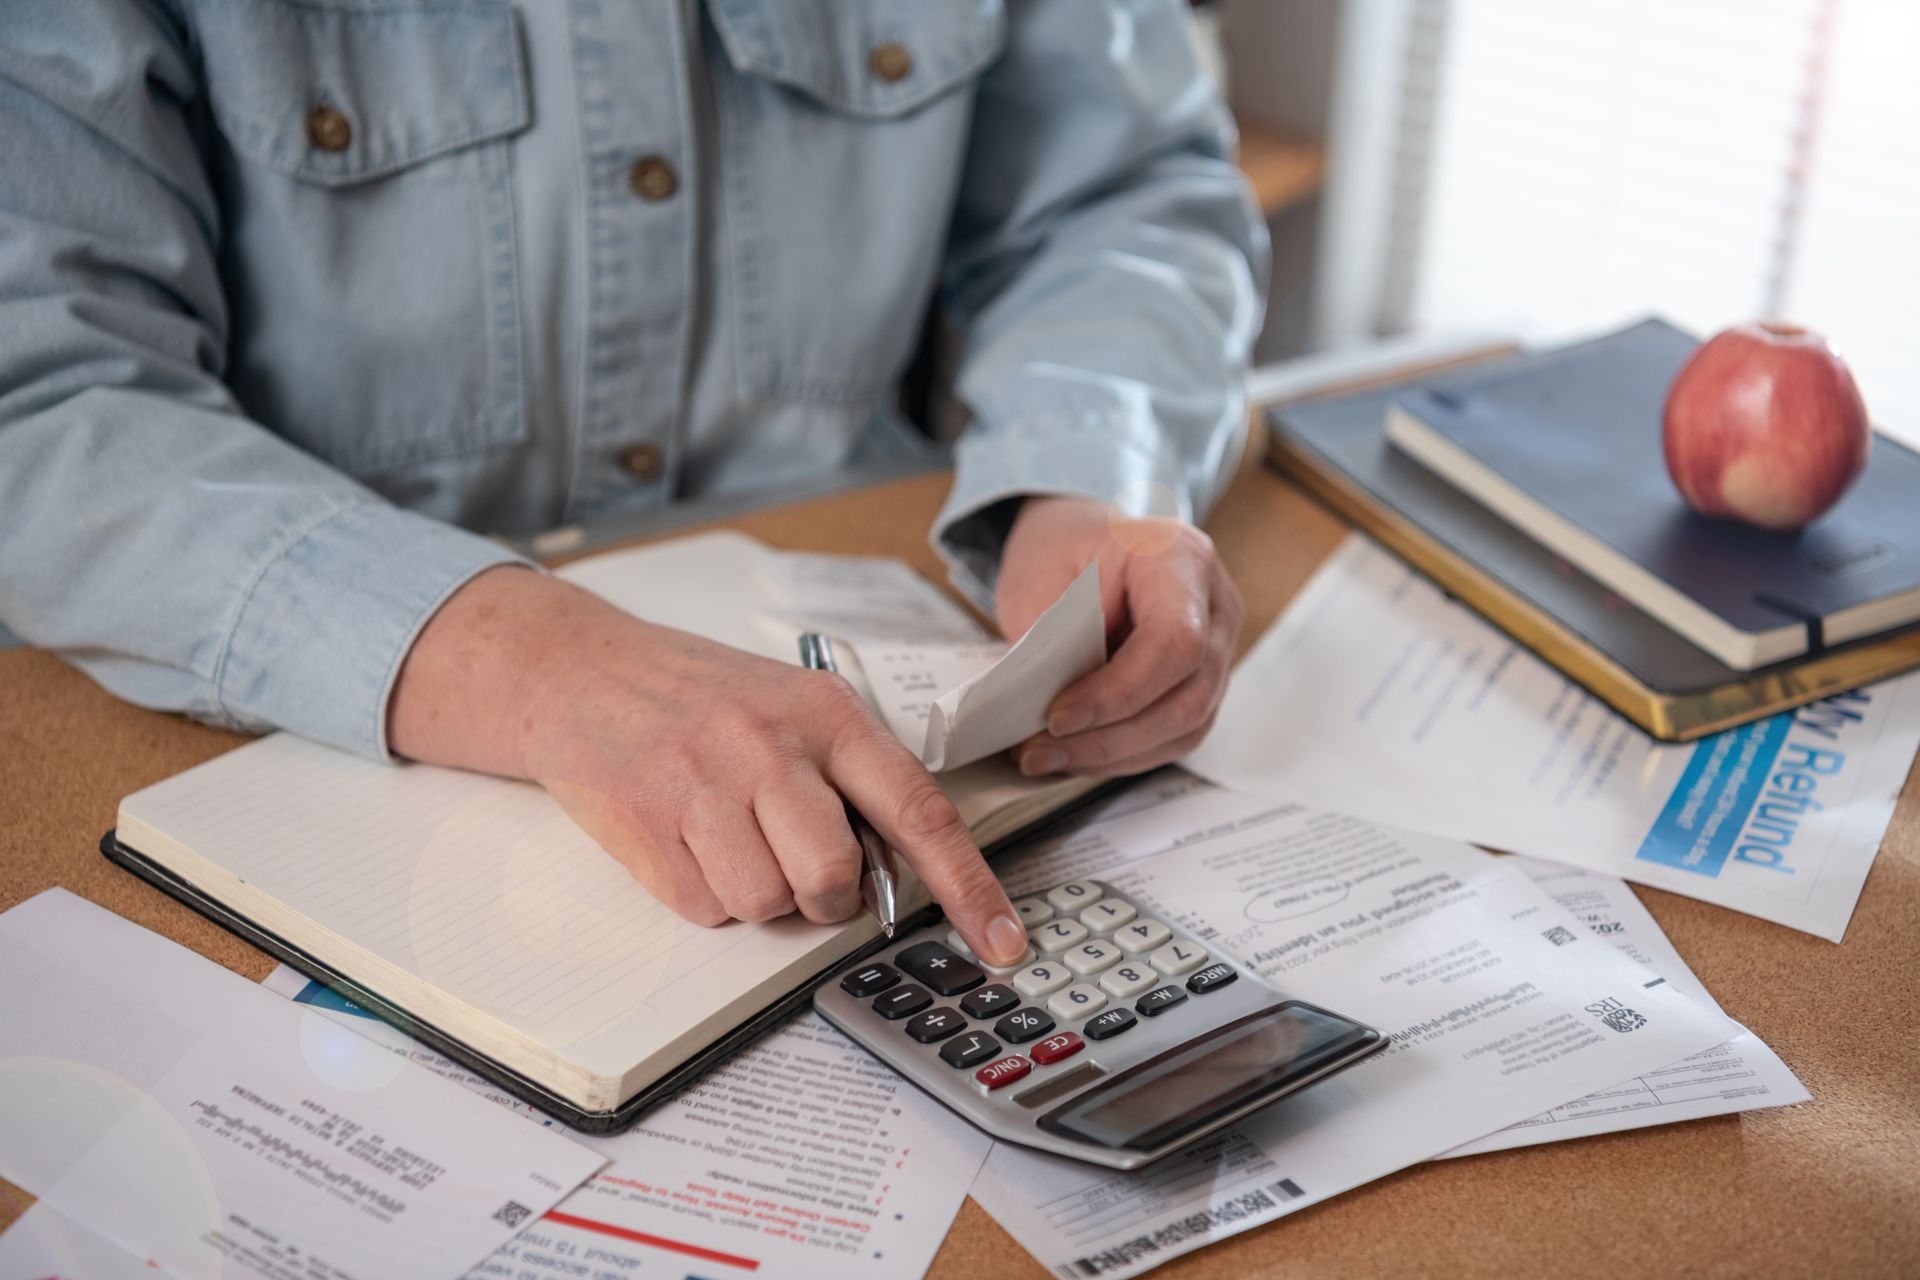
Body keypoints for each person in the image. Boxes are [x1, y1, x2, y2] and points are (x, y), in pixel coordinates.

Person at [0, 0, 1266, 968]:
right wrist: (535, 665)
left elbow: (1129, 196)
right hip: (294, 711)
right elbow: (45, 395)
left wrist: (1087, 472)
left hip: (893, 636)